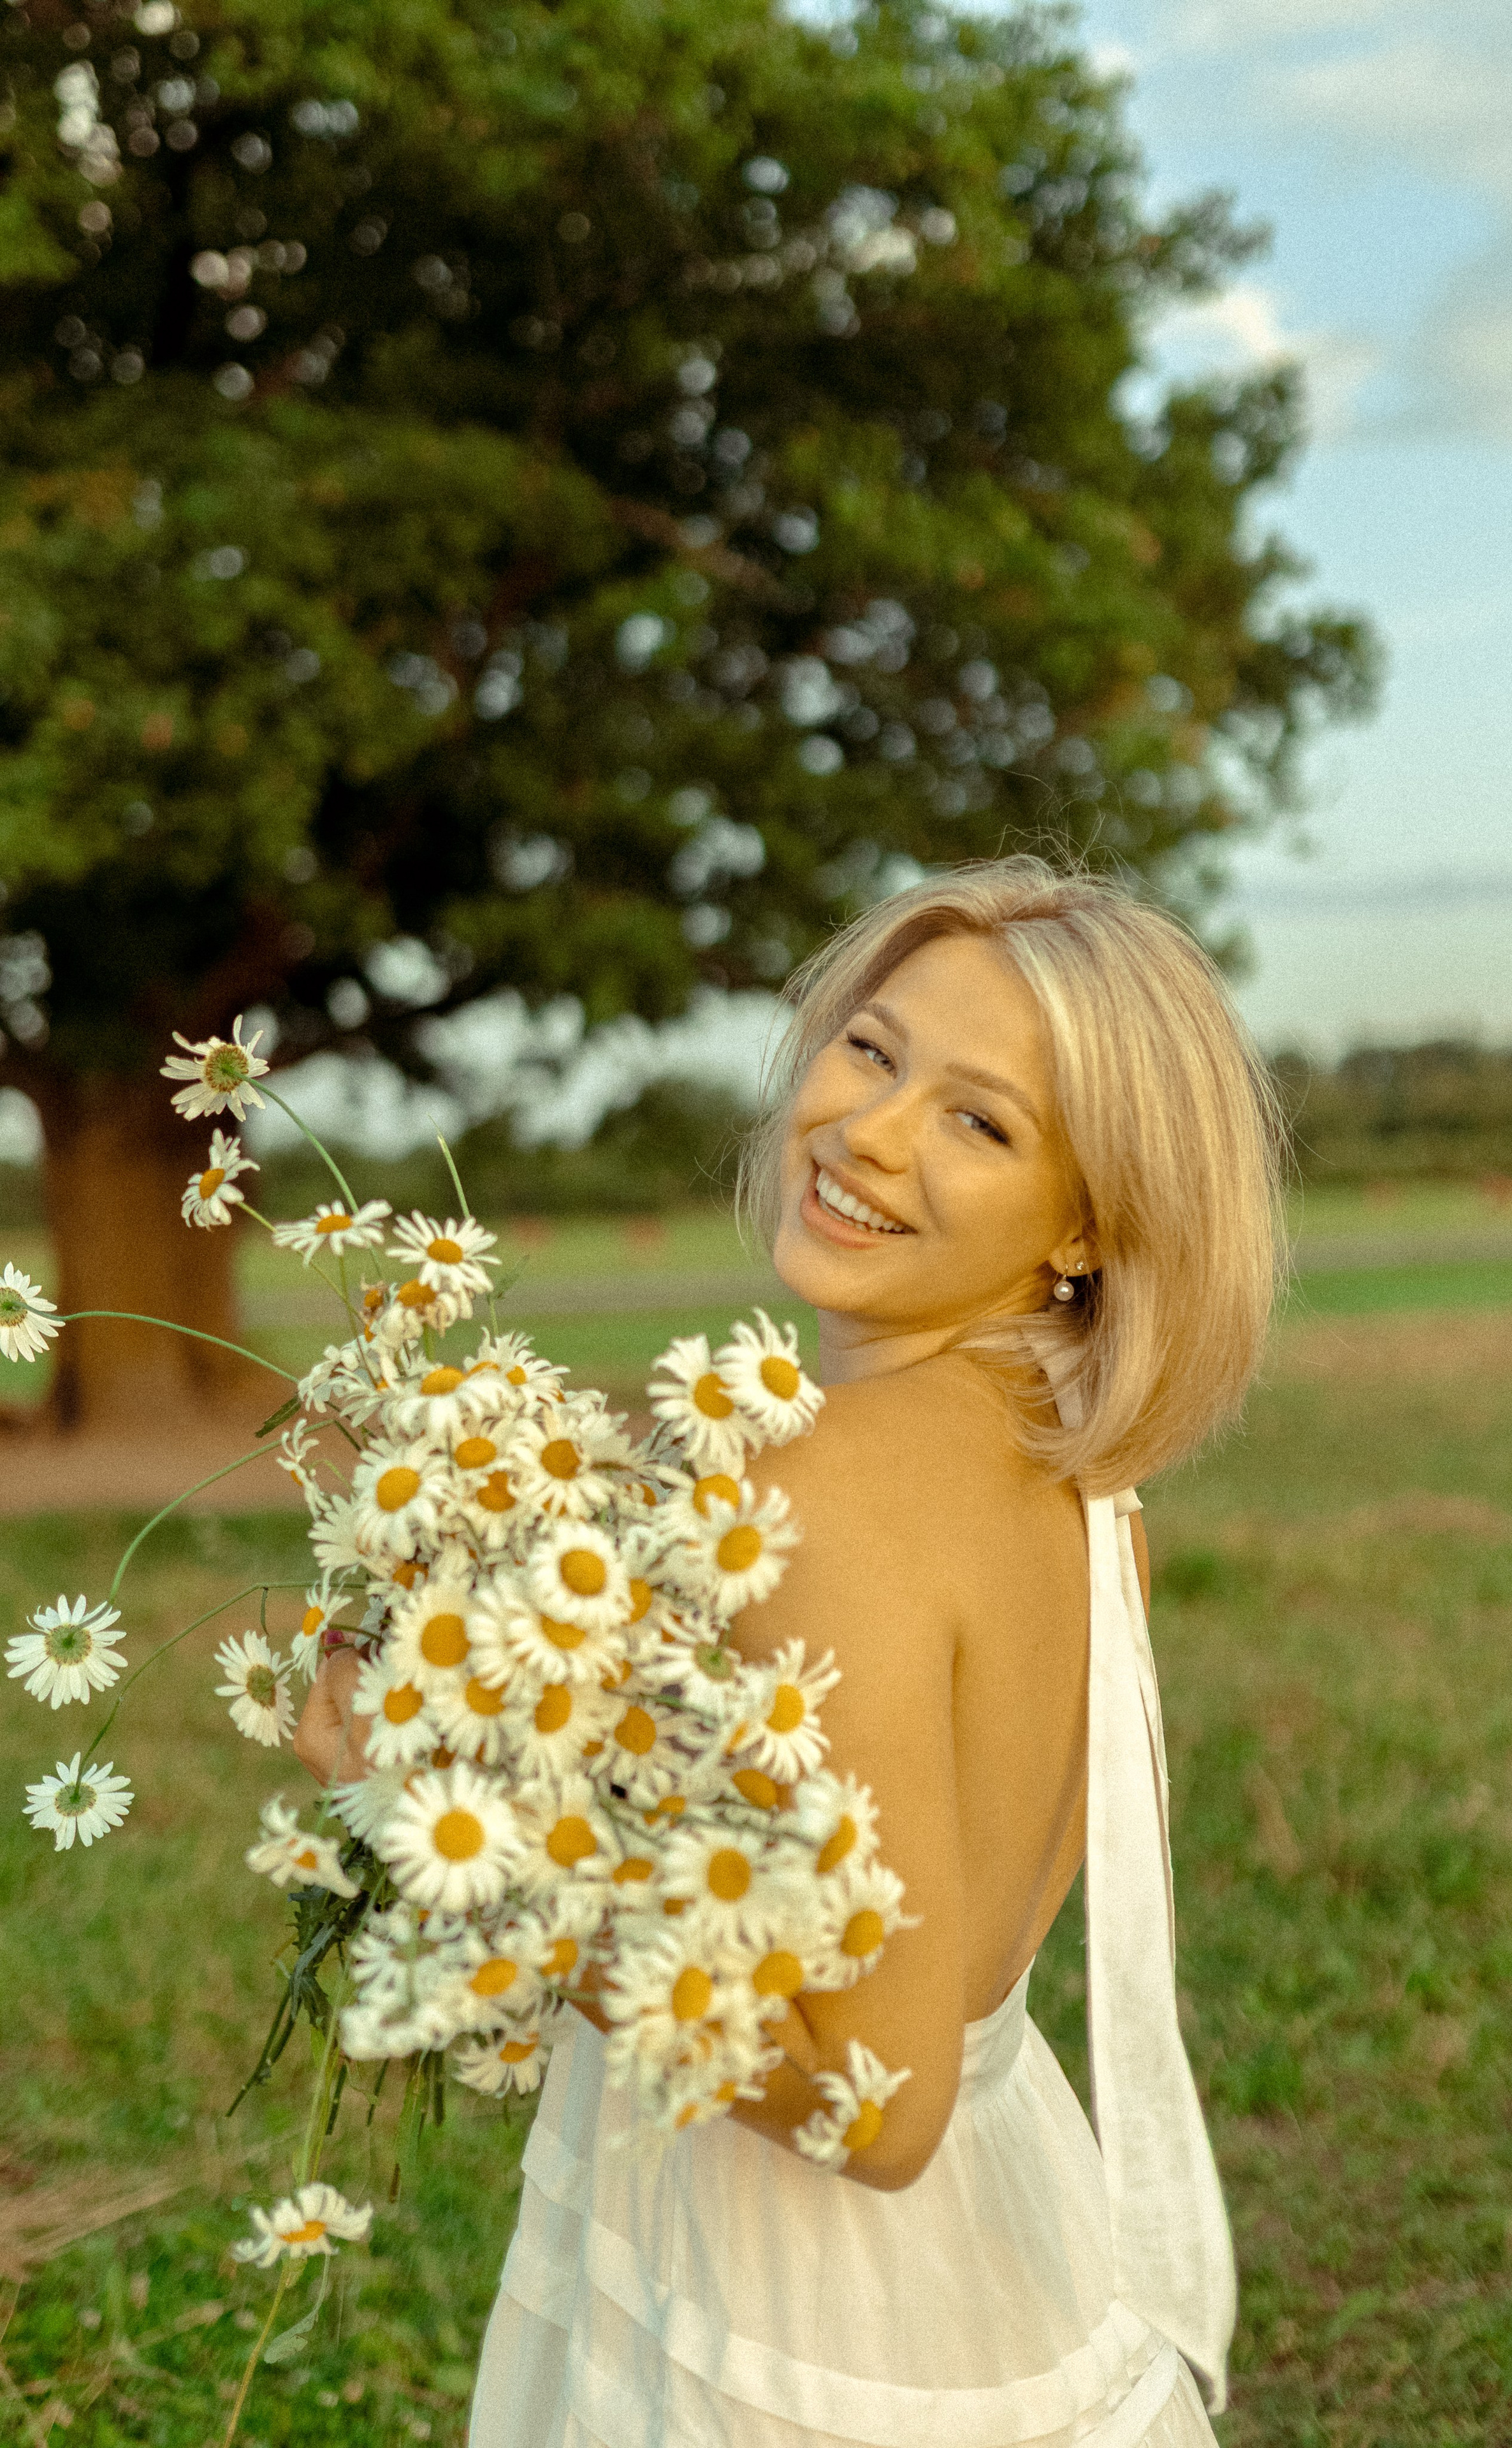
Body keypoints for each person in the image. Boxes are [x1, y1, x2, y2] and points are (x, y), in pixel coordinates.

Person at [296, 853, 1283, 2448]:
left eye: (980, 1121)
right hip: (998, 2219)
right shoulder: (1077, 1480)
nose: (869, 1132)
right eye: (872, 1049)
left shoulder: (815, 1485)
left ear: (1087, 1223)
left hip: (801, 2292)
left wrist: (466, 1849)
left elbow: (877, 2107)